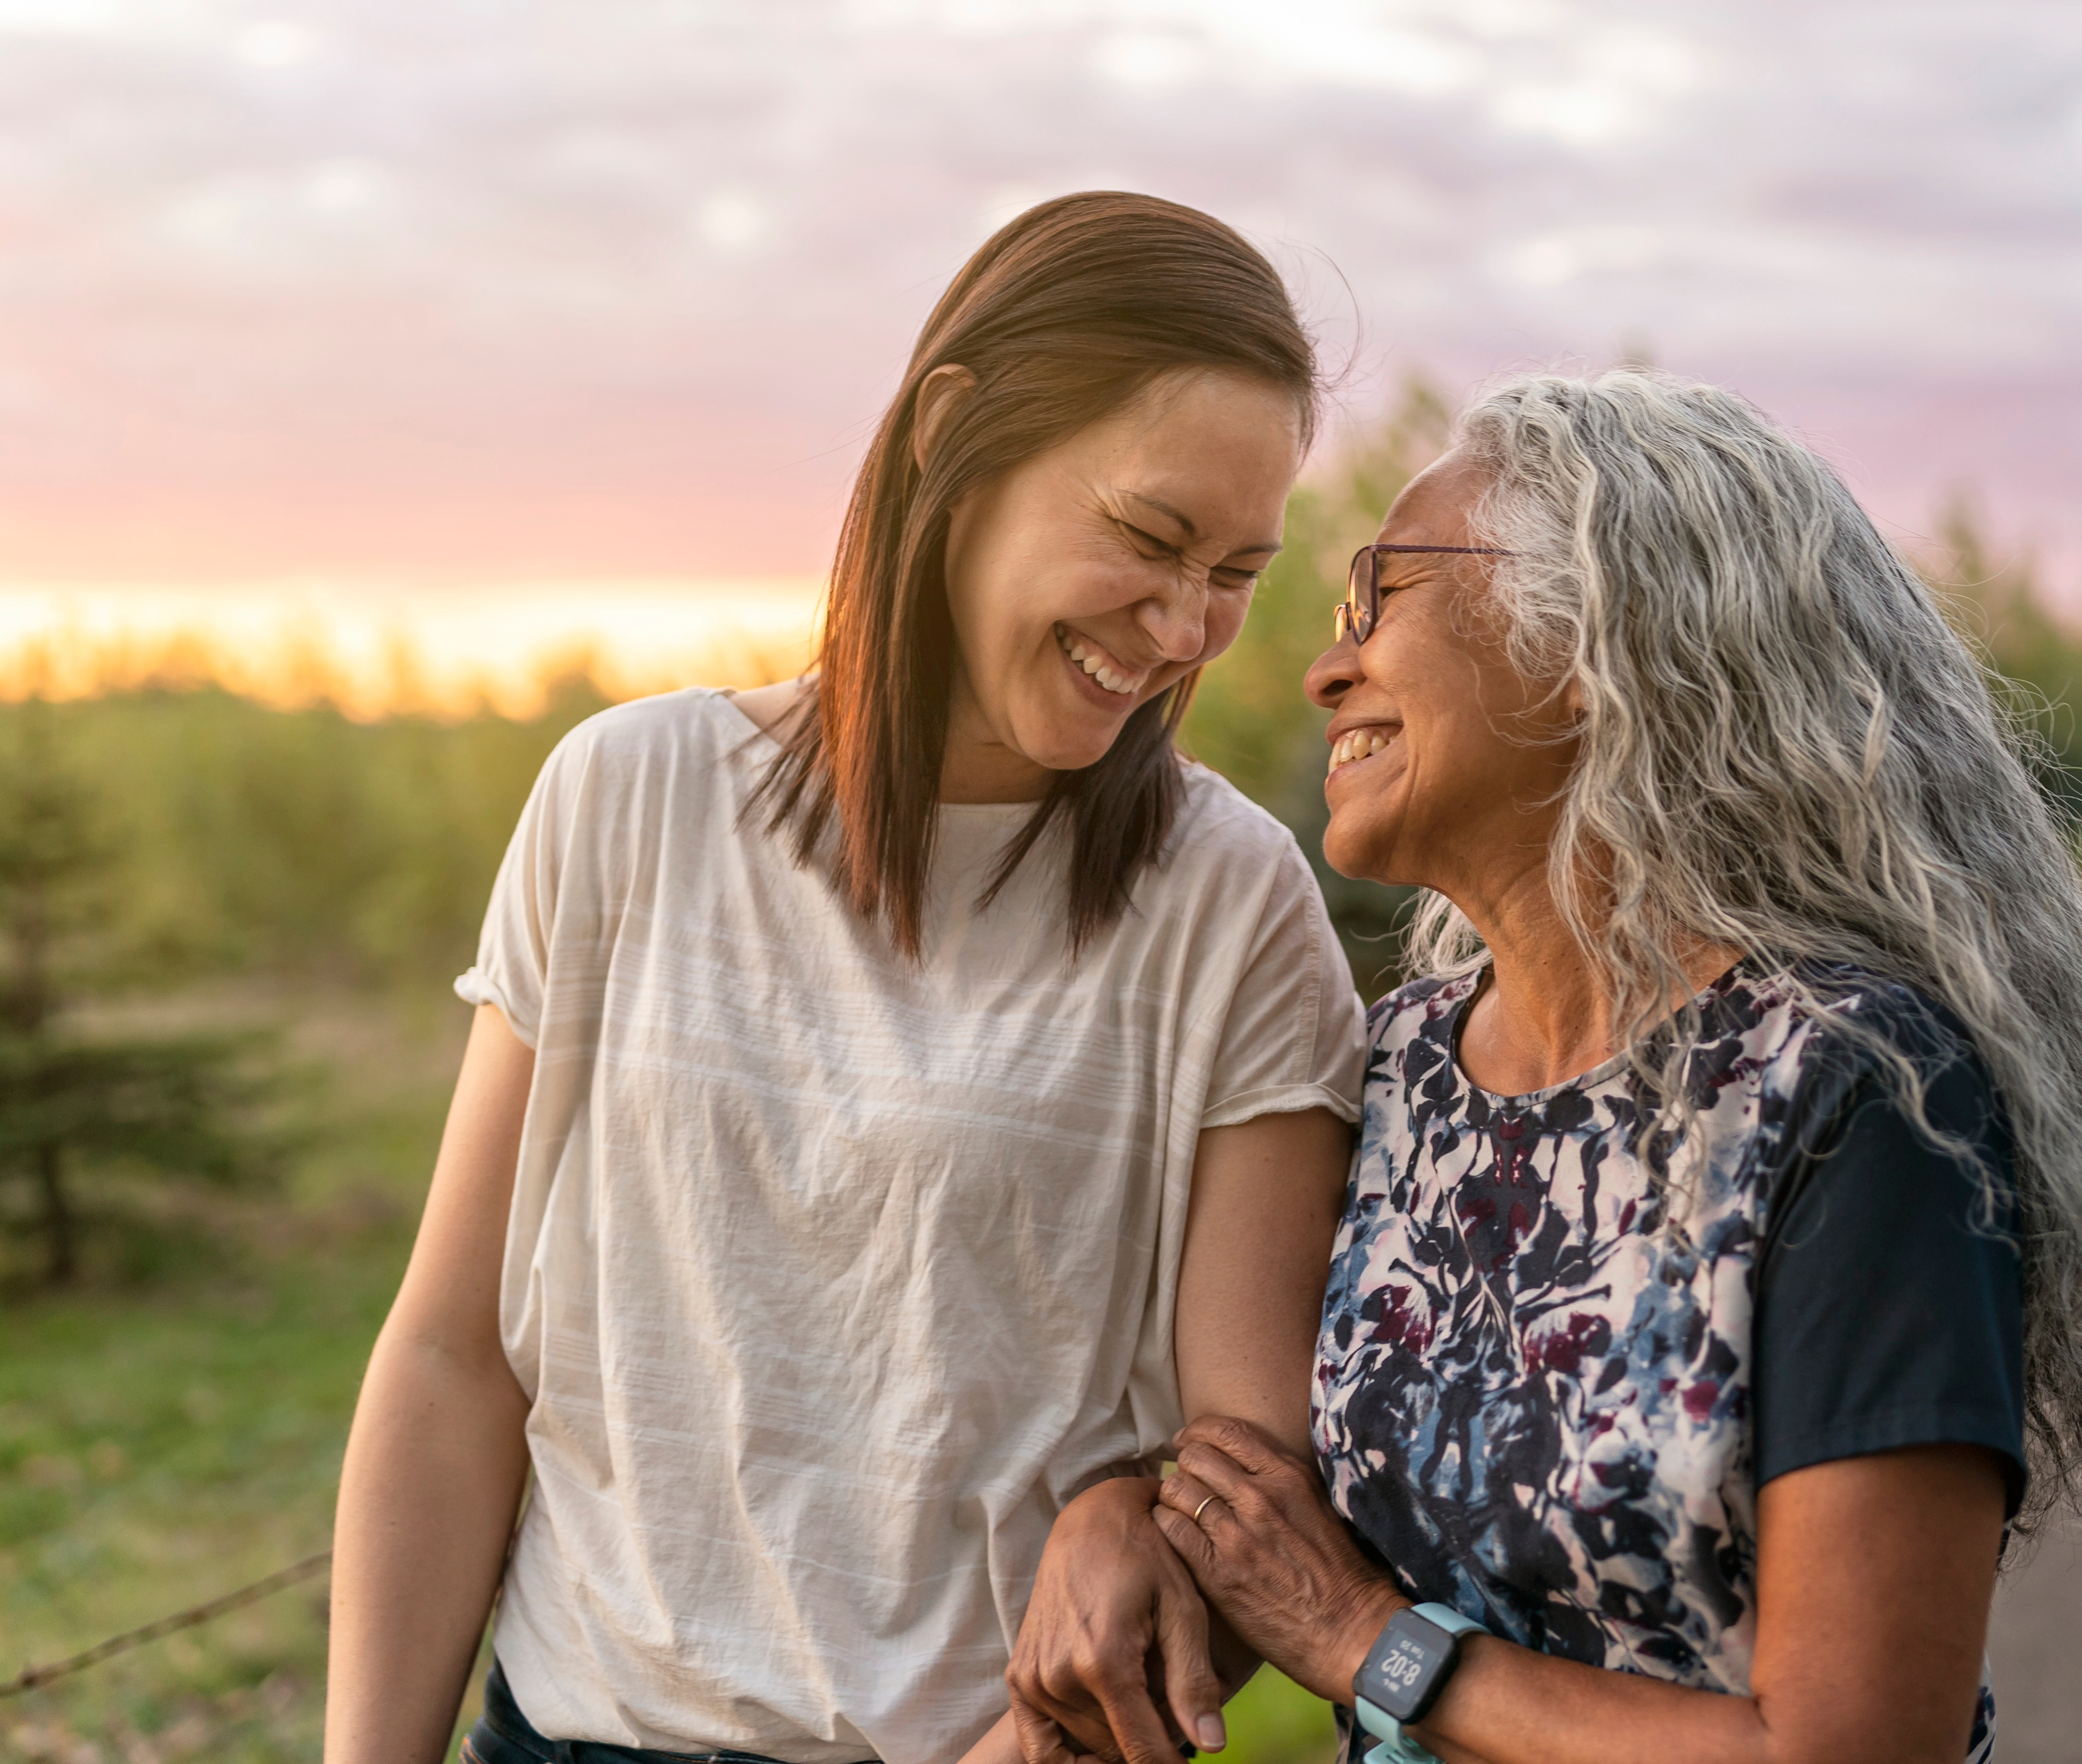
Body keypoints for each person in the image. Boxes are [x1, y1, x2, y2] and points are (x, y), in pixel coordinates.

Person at [1008, 370, 2082, 1764]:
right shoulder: (1408, 1069)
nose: (1322, 667)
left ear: (1608, 634)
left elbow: (1844, 1749)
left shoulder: (1849, 1091)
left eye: (1384, 594)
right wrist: (1115, 1506)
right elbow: (1252, 1481)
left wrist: (1370, 1647)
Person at [323, 192, 1370, 1764]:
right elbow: (453, 1355)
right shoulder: (628, 797)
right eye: (1151, 538)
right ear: (955, 437)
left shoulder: (1228, 905)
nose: (1182, 626)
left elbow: (1247, 1478)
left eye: (1232, 568)